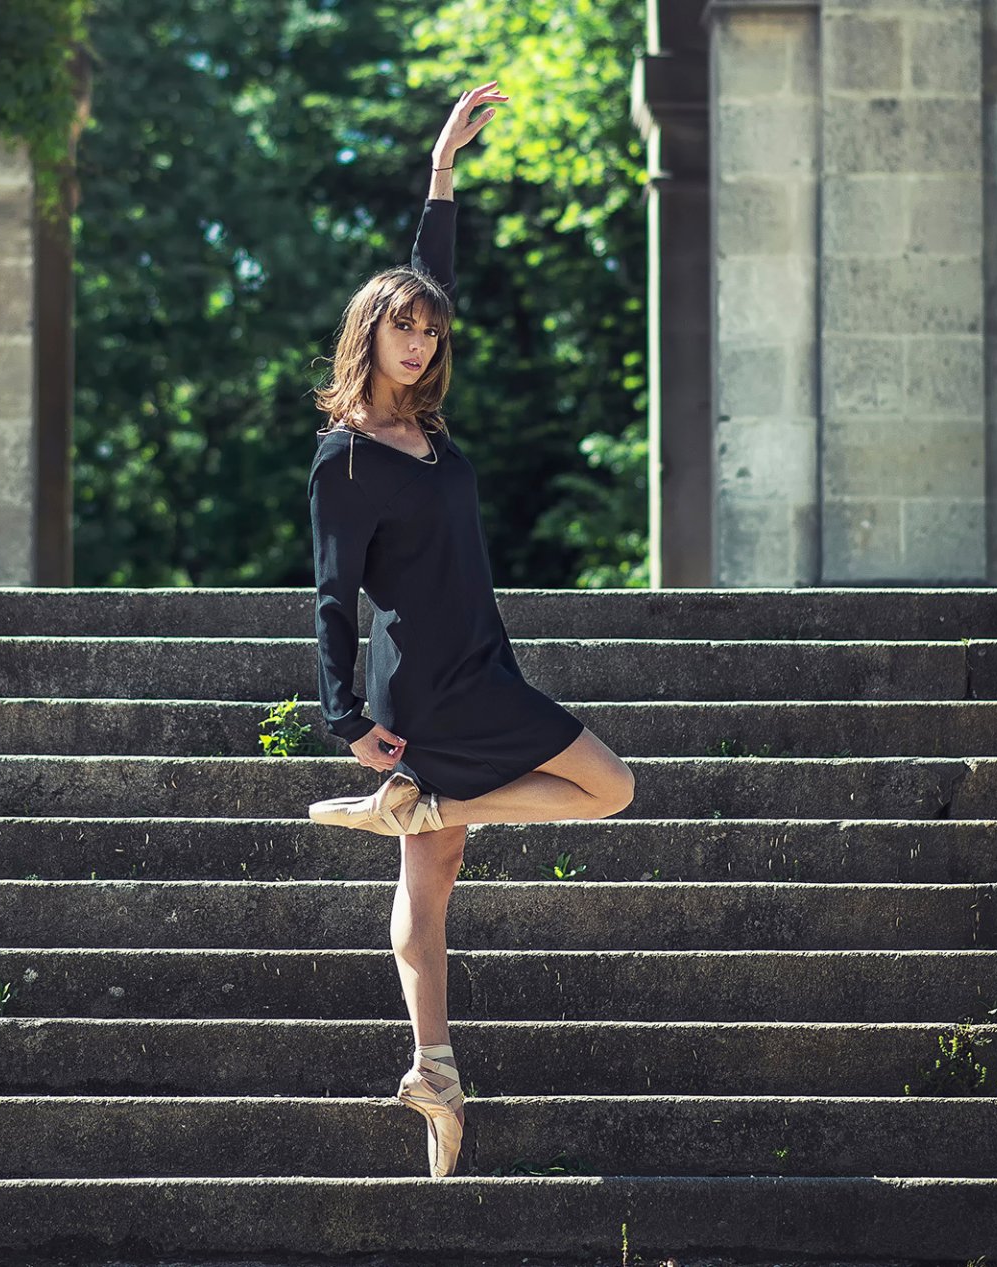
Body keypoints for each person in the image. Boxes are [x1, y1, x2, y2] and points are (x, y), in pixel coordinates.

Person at [302, 82, 638, 1179]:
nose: (420, 337)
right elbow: (330, 597)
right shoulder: (346, 459)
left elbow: (431, 271)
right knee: (611, 785)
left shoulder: (432, 435)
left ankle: (433, 1077)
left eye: (430, 328)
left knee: (429, 873)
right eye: (401, 324)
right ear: (370, 332)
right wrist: (344, 720)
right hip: (430, 683)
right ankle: (417, 799)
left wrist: (444, 170)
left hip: (480, 659)